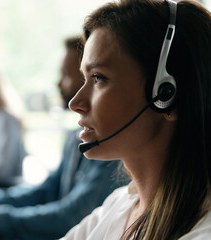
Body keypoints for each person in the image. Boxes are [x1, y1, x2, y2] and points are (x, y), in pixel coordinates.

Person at [0, 37, 125, 240]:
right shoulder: (74, 138)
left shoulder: (111, 147)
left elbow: (71, 217)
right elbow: (47, 191)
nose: (59, 84)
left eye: (68, 75)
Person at [64, 0, 211, 239]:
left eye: (99, 78)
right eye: (85, 79)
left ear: (166, 94)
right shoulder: (119, 205)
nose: (75, 103)